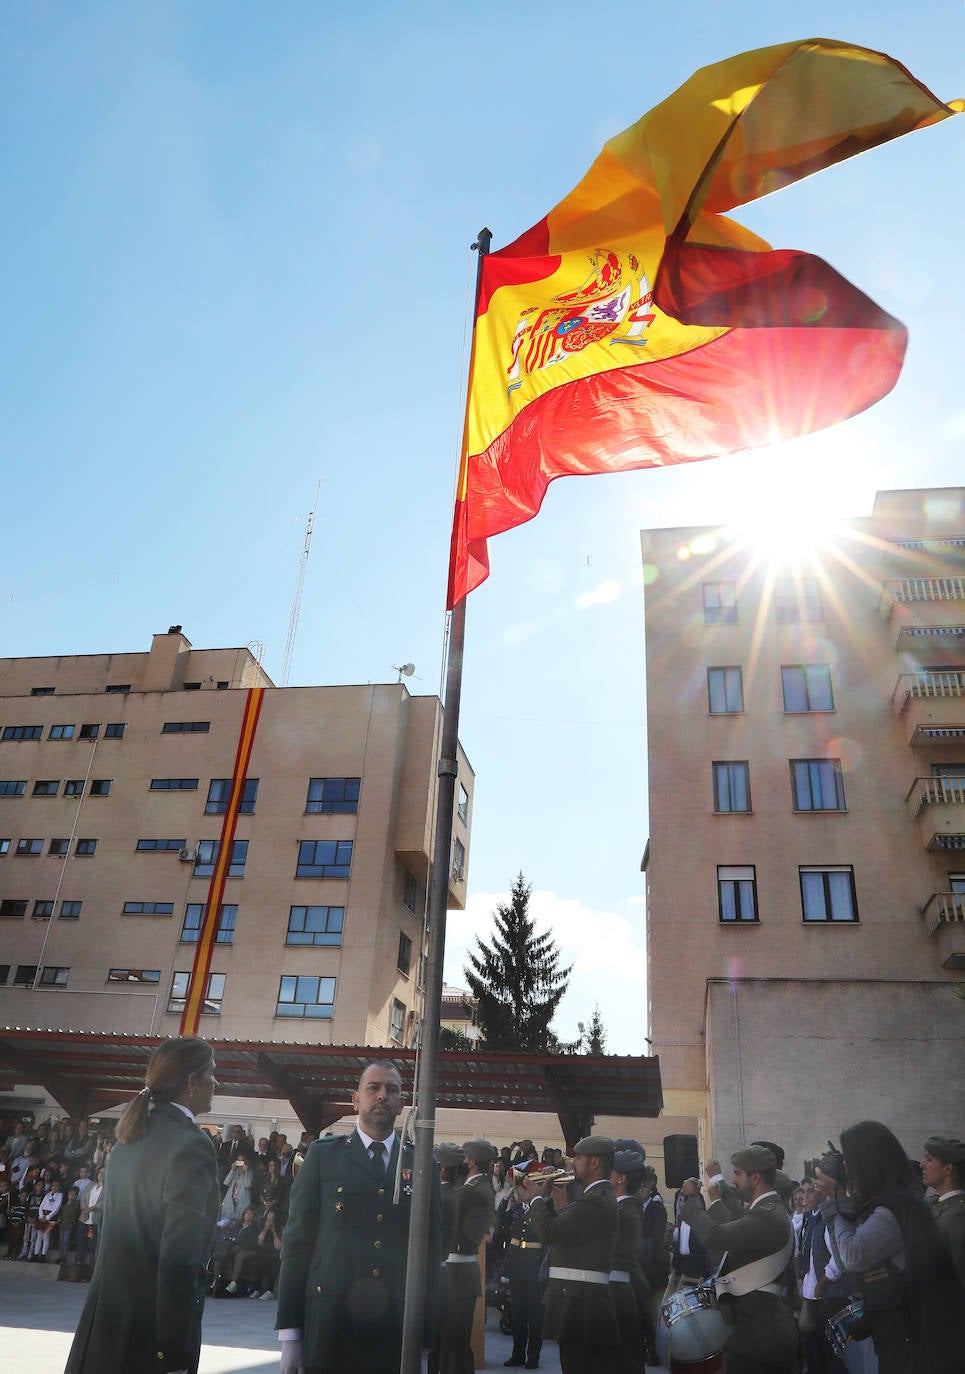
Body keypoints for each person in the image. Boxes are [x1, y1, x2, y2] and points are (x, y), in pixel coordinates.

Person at [64, 1035, 221, 1374]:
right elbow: (180, 1257)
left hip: (104, 1326)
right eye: (211, 1074)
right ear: (191, 1082)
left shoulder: (127, 1141)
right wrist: (172, 1351)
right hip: (148, 1337)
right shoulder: (192, 1146)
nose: (216, 1083)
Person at [275, 1059, 442, 1374]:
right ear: (355, 1099)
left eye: (391, 1090)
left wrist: (424, 1340)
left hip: (394, 1326)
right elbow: (298, 1243)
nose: (382, 1095)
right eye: (373, 1087)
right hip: (330, 1323)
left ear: (401, 1104)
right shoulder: (324, 1155)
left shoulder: (422, 1163)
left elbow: (431, 1256)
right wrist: (290, 1335)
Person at [816, 1120, 965, 1374]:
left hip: (917, 1347)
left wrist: (835, 1197)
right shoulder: (897, 1200)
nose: (846, 1168)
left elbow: (852, 1255)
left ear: (867, 1161)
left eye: (849, 1161)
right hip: (907, 1338)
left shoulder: (894, 1207)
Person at [680, 1145, 799, 1374]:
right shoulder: (767, 1210)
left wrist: (692, 1202)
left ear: (755, 1177)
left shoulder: (767, 1215)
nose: (733, 1180)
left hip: (761, 1339)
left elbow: (714, 1236)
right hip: (757, 1333)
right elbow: (732, 1224)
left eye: (737, 1173)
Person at [520, 1134, 619, 1374]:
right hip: (578, 1302)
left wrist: (535, 1199)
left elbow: (550, 1232)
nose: (572, 1163)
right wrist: (549, 1199)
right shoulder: (595, 1198)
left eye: (578, 1158)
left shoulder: (594, 1201)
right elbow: (567, 1231)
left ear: (594, 1163)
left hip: (580, 1305)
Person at [437, 1139, 497, 1374]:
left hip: (457, 1275)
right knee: (453, 1347)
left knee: (452, 1348)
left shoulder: (470, 1192)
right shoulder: (476, 1187)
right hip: (459, 1274)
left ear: (470, 1161)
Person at [499, 1162, 547, 1370]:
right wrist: (506, 1198)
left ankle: (533, 1357)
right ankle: (517, 1354)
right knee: (517, 1314)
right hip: (517, 1263)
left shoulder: (543, 1208)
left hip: (534, 1264)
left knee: (534, 1316)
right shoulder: (517, 1208)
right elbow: (500, 1221)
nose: (520, 1190)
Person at [609, 1140, 649, 1374]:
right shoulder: (619, 1206)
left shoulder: (627, 1209)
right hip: (616, 1290)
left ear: (621, 1178)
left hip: (619, 1292)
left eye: (609, 1172)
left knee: (624, 1361)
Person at [922, 1134, 965, 1288]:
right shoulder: (936, 1203)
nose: (922, 1165)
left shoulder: (958, 1216)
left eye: (929, 1160)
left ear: (948, 1168)